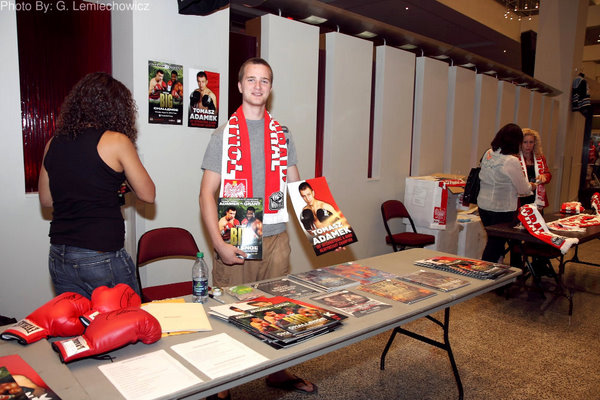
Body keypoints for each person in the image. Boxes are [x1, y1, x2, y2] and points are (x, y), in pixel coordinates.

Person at [199, 57, 316, 398]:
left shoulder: (282, 133)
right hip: (238, 236)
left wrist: (325, 225)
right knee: (230, 311)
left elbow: (296, 186)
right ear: (240, 85)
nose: (257, 86)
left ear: (270, 87)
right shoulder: (223, 135)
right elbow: (206, 194)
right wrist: (218, 245)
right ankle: (222, 386)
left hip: (277, 238)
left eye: (264, 80)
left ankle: (277, 372)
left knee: (278, 308)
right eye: (251, 79)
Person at [38, 72, 155, 298]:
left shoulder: (53, 142)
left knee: (78, 319)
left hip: (60, 254)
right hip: (100, 254)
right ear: (117, 108)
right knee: (124, 319)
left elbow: (46, 200)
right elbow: (148, 194)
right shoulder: (116, 141)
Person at [477, 123, 534, 263]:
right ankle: (484, 272)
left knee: (494, 242)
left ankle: (498, 268)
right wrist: (533, 186)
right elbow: (523, 189)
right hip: (502, 209)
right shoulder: (511, 161)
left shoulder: (488, 153)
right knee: (495, 245)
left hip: (483, 206)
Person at [518, 128, 551, 211]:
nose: (528, 145)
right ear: (520, 143)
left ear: (535, 143)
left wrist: (544, 176)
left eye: (531, 142)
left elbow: (548, 174)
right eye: (525, 142)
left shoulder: (540, 157)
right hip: (520, 197)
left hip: (537, 196)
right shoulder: (515, 158)